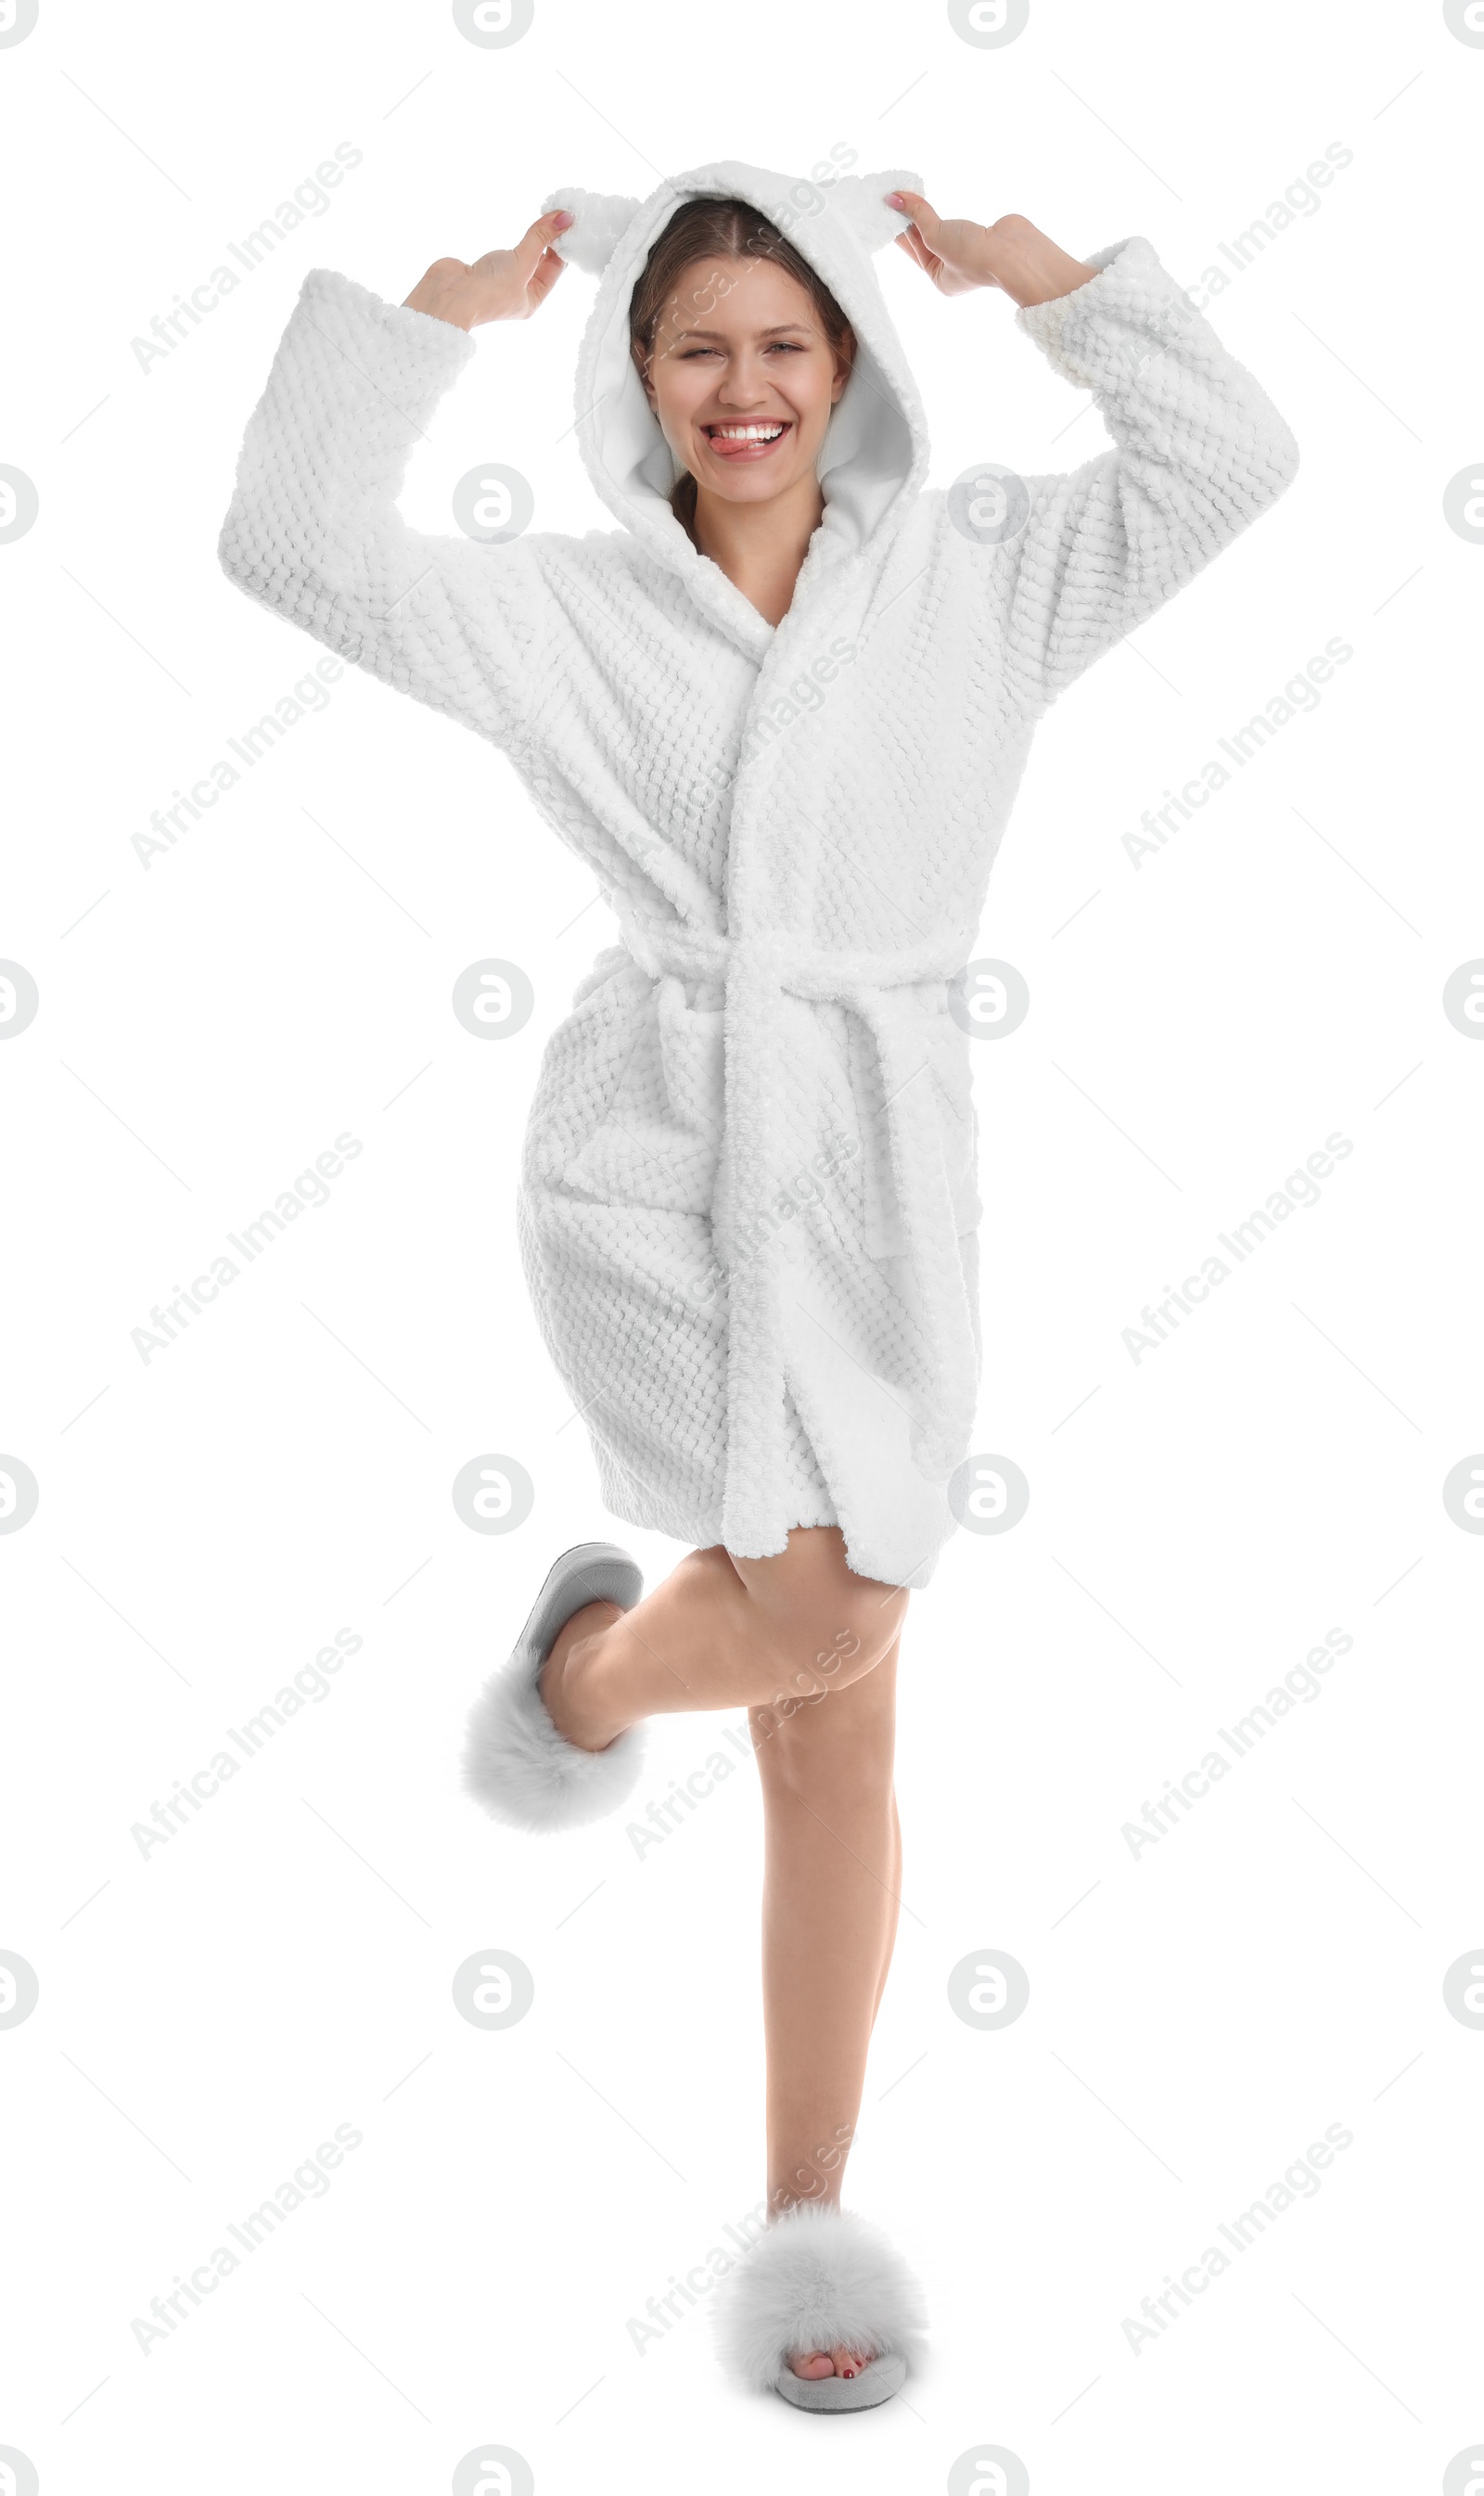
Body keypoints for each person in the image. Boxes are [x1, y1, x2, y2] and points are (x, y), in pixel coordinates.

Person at [218, 160, 1298, 2410]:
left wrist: (1051, 285)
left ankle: (807, 2204)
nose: (742, 389)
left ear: (851, 372)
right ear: (635, 378)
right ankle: (590, 1682)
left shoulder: (980, 575)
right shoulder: (565, 609)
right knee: (820, 1610)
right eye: (695, 346)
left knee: (839, 1715)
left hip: (885, 1157)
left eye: (784, 347)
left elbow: (1229, 463)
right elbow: (295, 547)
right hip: (655, 1164)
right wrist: (413, 323)